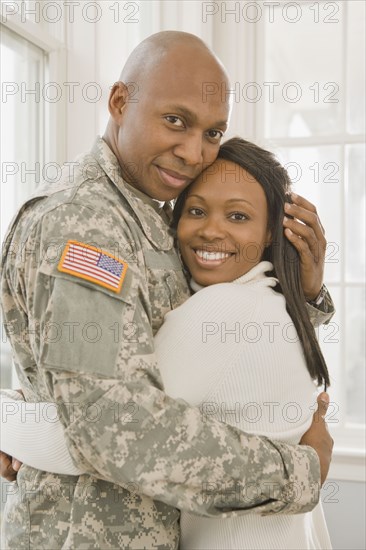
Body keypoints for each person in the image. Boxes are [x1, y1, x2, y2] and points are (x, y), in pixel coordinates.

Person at [0, 31, 334, 549]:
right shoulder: (87, 226)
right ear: (119, 102)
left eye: (213, 132)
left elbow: (171, 354)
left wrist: (303, 295)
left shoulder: (151, 217)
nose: (193, 152)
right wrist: (298, 473)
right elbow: (110, 426)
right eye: (175, 121)